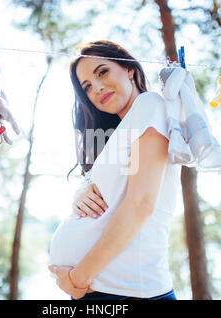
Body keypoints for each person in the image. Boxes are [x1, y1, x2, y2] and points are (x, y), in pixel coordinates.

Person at [48, 40, 181, 300]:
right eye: (87, 86)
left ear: (128, 69)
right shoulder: (122, 131)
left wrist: (78, 277)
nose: (96, 87)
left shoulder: (149, 104)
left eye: (102, 72)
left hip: (126, 291)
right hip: (108, 291)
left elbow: (141, 204)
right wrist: (82, 192)